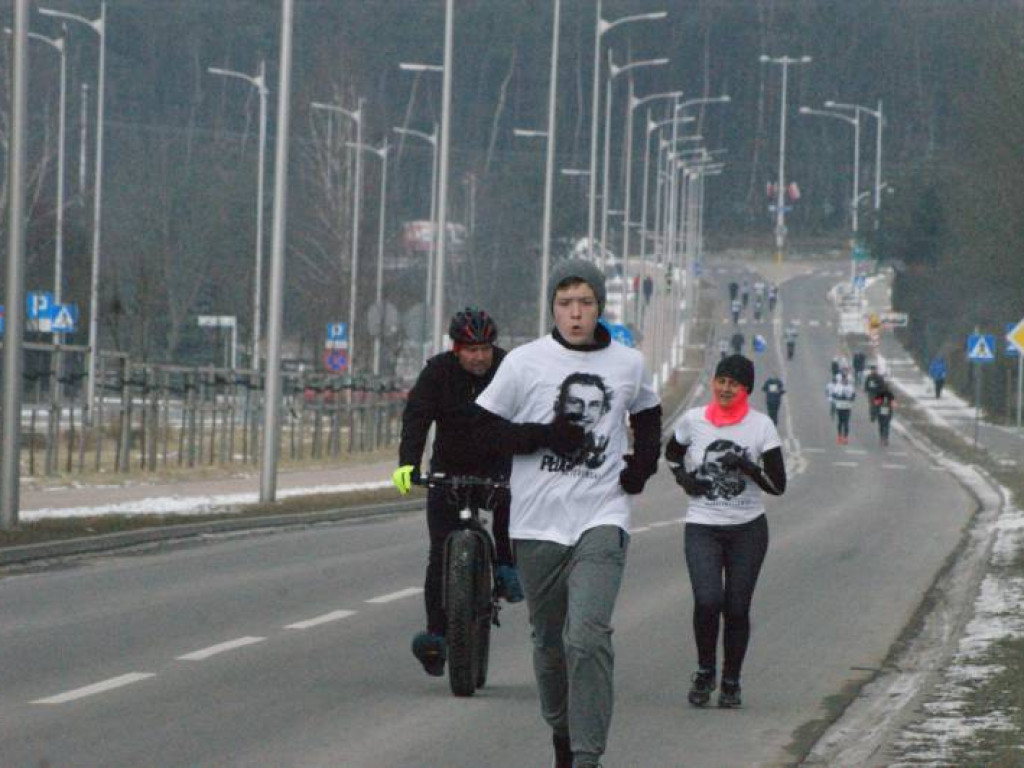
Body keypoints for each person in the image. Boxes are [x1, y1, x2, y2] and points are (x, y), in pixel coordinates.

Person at [475, 258, 661, 768]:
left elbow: (647, 412)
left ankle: (586, 754)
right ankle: (562, 731)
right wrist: (541, 436)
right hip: (537, 525)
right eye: (564, 304)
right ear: (552, 309)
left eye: (584, 303)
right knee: (549, 644)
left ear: (600, 306)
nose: (575, 314)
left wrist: (640, 467)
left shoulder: (627, 363)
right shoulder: (524, 364)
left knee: (587, 636)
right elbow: (484, 430)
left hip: (602, 517)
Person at [392, 307, 524, 678]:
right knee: (440, 552)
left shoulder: (508, 368)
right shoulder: (437, 372)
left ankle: (505, 564)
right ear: (456, 349)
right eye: (470, 349)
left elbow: (530, 413)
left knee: (506, 508)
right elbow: (417, 417)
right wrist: (408, 464)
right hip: (449, 469)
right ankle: (436, 634)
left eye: (484, 349)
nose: (479, 357)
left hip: (496, 466)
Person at [665, 354, 787, 710]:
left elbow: (778, 486)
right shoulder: (694, 420)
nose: (725, 389)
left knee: (735, 608)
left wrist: (748, 466)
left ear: (746, 389)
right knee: (707, 602)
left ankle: (731, 680)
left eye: (734, 384)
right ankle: (705, 671)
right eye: (721, 381)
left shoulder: (761, 427)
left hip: (747, 530)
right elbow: (672, 454)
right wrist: (684, 479)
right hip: (702, 525)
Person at [833, 371, 856, 444]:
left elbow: (853, 396)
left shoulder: (850, 387)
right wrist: (839, 397)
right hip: (839, 406)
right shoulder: (838, 386)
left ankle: (845, 437)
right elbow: (834, 395)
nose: (844, 380)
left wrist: (849, 398)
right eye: (843, 379)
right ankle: (839, 436)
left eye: (845, 379)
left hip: (847, 406)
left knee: (846, 422)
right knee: (840, 422)